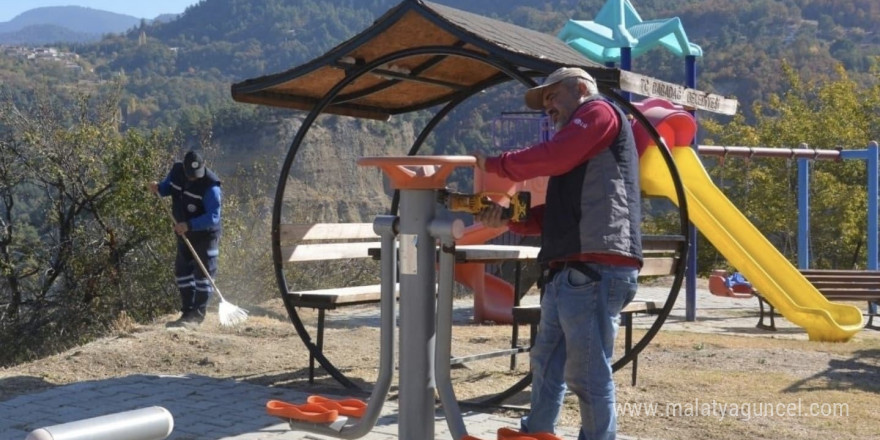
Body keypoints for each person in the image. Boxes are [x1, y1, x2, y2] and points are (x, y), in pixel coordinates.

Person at [473, 67, 642, 440]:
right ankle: (537, 432)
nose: (547, 107)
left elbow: (556, 156)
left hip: (595, 266)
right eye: (544, 101)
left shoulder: (597, 111)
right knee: (547, 362)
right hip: (571, 269)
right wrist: (510, 219)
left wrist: (498, 165)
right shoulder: (577, 151)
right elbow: (558, 214)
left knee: (587, 373)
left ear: (580, 88)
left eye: (552, 96)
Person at [149, 150, 222, 329]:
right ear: (184, 168)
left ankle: (197, 316)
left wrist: (189, 225)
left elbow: (213, 216)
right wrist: (158, 187)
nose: (193, 179)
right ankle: (187, 312)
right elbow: (167, 188)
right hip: (184, 234)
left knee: (203, 276)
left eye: (196, 175)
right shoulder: (176, 172)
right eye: (190, 175)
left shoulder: (211, 186)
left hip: (205, 235)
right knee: (183, 273)